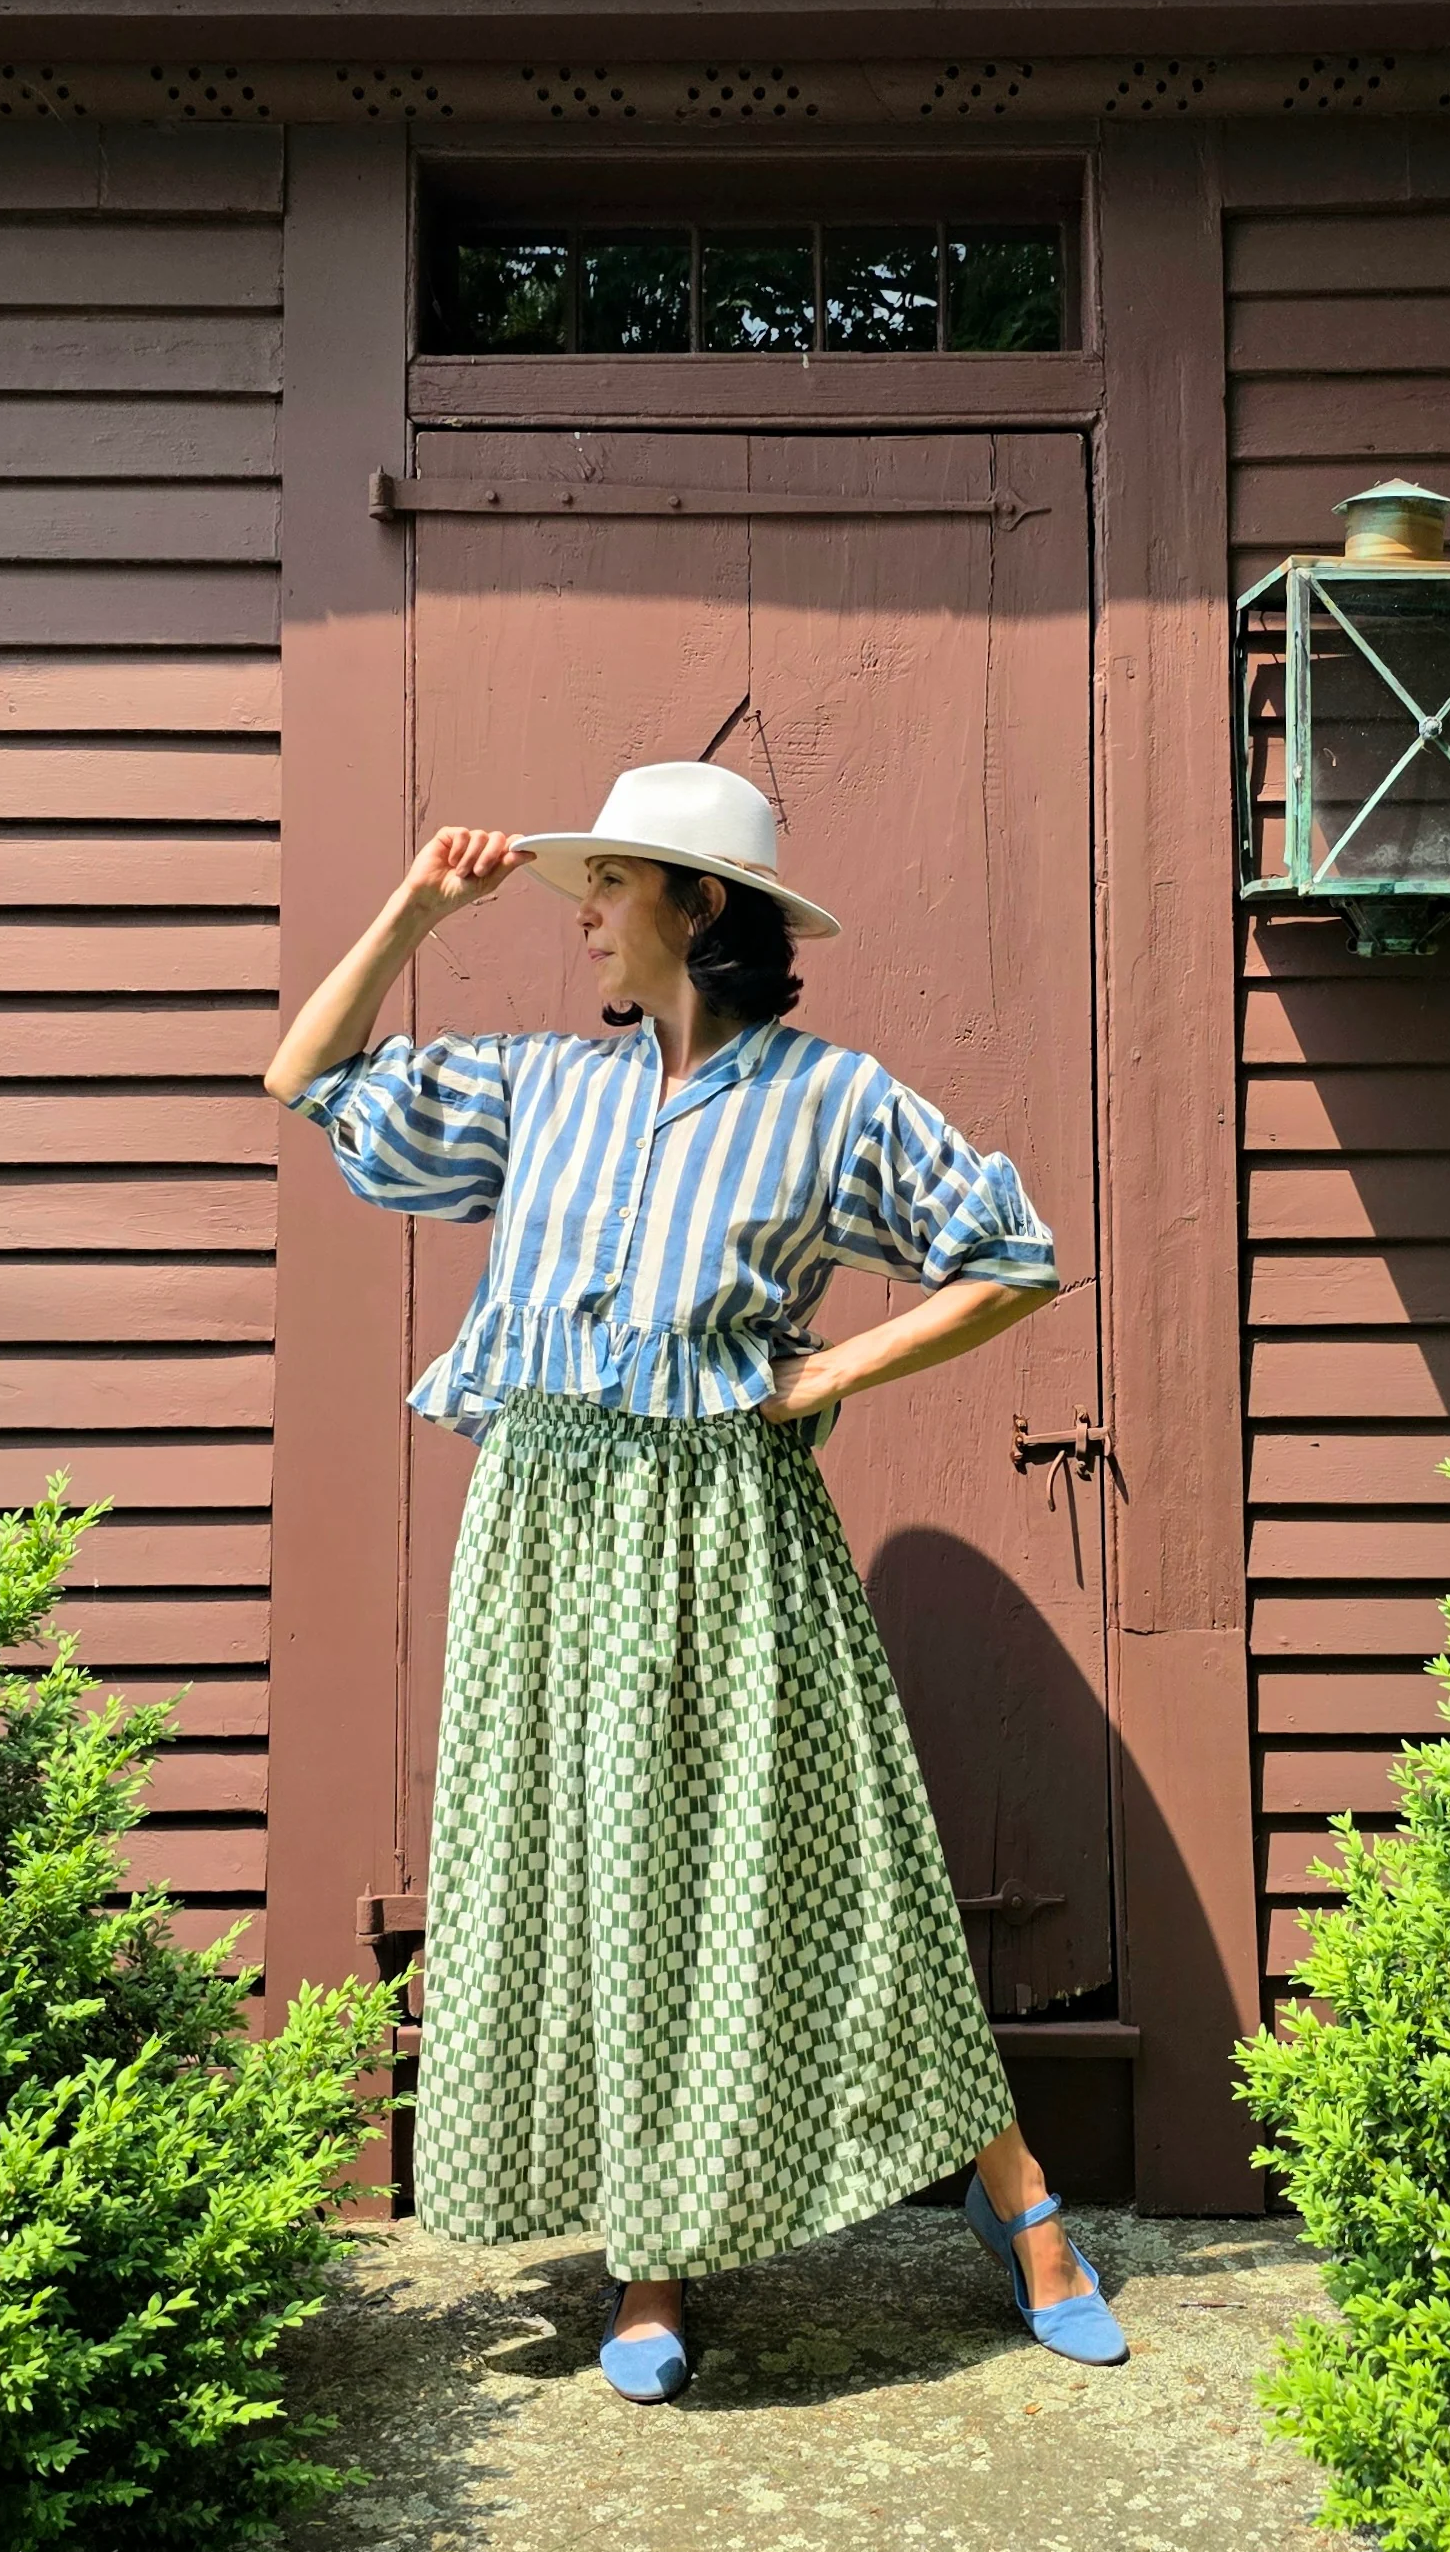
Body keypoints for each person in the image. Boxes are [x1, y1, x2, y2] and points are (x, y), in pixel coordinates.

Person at [265, 760, 1128, 2402]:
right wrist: (408, 915)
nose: (580, 914)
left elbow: (1008, 1260)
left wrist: (822, 1379)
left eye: (608, 885)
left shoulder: (833, 1098)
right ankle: (645, 2263)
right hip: (540, 1527)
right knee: (594, 1880)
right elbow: (305, 1078)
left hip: (729, 1533)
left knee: (847, 1871)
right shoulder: (534, 1086)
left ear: (697, 905)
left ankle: (1020, 2208)